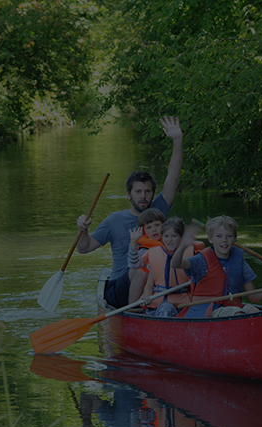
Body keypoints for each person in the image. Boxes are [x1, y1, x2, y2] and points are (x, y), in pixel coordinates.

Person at [76, 116, 183, 308]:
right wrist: (82, 229)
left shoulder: (158, 210)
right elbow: (84, 248)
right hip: (120, 287)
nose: (143, 196)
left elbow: (173, 177)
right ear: (129, 195)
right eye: (138, 192)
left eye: (148, 191)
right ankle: (136, 312)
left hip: (158, 283)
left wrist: (177, 141)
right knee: (141, 269)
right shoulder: (114, 220)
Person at [171, 215, 262, 318]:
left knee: (254, 312)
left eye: (229, 236)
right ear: (210, 239)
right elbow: (176, 264)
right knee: (238, 314)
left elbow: (253, 297)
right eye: (219, 236)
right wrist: (183, 245)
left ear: (235, 239)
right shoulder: (201, 260)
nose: (224, 240)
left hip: (233, 307)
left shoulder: (239, 262)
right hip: (206, 310)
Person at [139, 218, 194, 317]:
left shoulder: (191, 256)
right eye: (166, 236)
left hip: (183, 305)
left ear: (181, 238)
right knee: (166, 309)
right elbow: (150, 285)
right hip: (158, 306)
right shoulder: (155, 254)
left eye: (174, 236)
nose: (170, 240)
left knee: (168, 309)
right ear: (162, 237)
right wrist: (146, 296)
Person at [127, 208, 166, 302]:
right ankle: (132, 305)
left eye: (157, 225)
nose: (154, 230)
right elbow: (133, 264)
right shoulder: (144, 250)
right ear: (144, 232)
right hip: (150, 281)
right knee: (142, 271)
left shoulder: (172, 241)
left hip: (167, 278)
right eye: (149, 227)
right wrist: (133, 244)